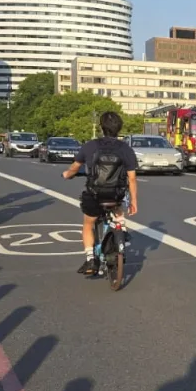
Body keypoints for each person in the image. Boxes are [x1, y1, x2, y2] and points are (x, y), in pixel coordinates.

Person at [62, 111, 140, 275]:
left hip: (94, 195)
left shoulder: (90, 146)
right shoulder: (126, 149)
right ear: (119, 128)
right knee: (118, 210)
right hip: (116, 195)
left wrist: (67, 175)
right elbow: (132, 179)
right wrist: (134, 202)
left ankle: (91, 258)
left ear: (101, 127)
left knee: (88, 224)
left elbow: (75, 167)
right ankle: (120, 229)